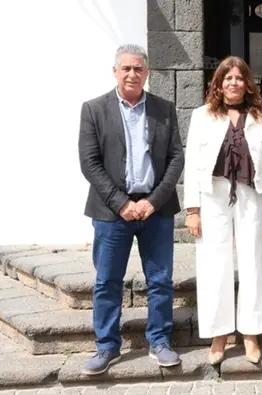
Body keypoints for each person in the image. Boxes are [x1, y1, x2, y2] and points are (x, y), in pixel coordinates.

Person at [77, 44, 184, 375]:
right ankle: (107, 346)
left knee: (161, 280)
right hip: (112, 212)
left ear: (147, 73)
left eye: (138, 69)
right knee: (108, 281)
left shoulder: (164, 109)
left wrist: (153, 201)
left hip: (156, 209)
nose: (132, 74)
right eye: (126, 68)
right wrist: (120, 202)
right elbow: (89, 162)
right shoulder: (94, 109)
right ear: (115, 72)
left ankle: (160, 341)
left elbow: (176, 158)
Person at [183, 56, 262, 365]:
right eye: (228, 78)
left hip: (254, 195)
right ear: (219, 83)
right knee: (214, 265)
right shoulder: (202, 116)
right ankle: (219, 335)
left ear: (247, 83)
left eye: (239, 78)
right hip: (213, 196)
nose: (234, 83)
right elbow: (191, 163)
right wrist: (192, 209)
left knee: (254, 261)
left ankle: (251, 333)